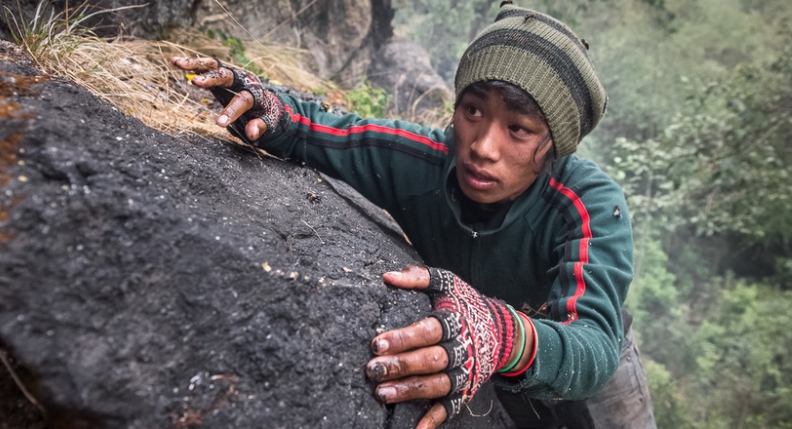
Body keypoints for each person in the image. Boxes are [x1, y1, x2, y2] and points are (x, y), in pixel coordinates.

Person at [172, 3, 656, 428]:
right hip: (480, 352)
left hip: (585, 377)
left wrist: (501, 333)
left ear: (555, 147)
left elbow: (592, 348)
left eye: (518, 128)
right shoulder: (428, 161)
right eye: (471, 111)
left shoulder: (588, 204)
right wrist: (269, 109)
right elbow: (324, 132)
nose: (483, 147)